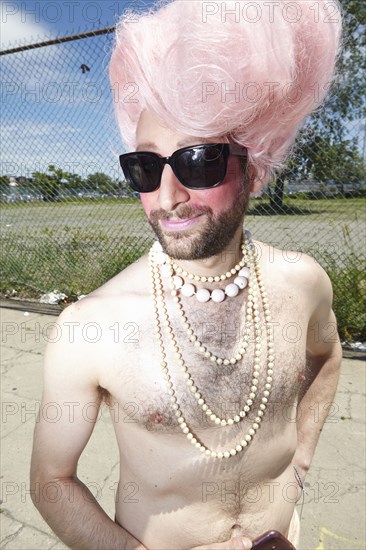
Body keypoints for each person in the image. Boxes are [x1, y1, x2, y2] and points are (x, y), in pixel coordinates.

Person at [30, 1, 343, 548]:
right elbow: (51, 482)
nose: (168, 197)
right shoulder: (91, 326)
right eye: (146, 167)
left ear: (255, 166)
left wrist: (300, 466)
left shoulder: (304, 284)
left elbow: (327, 357)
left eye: (198, 161)